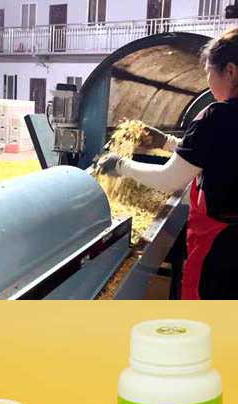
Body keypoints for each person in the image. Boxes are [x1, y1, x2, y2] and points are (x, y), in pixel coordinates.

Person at [98, 27, 238, 299]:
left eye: (209, 73)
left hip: (221, 248)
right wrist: (164, 142)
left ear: (230, 71)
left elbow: (169, 179)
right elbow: (215, 152)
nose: (208, 82)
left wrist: (119, 165)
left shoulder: (216, 116)